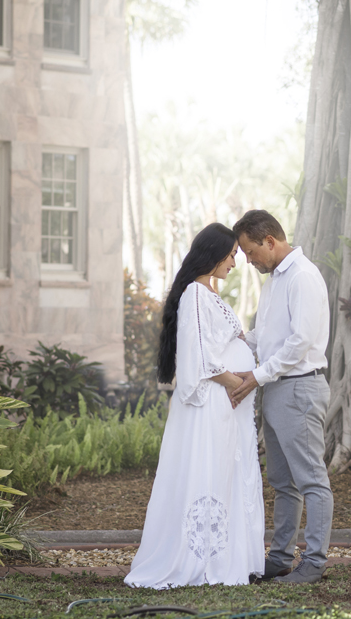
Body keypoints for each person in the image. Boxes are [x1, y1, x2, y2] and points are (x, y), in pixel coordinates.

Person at [124, 223, 264, 589]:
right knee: (209, 472)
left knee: (225, 474)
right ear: (215, 253)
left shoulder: (207, 294)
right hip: (212, 404)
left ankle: (226, 556)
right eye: (233, 254)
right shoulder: (196, 296)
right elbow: (199, 357)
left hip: (226, 404)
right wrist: (240, 382)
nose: (235, 262)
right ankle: (203, 560)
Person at [230, 210, 332, 584]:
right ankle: (280, 559)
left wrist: (256, 376)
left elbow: (300, 342)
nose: (247, 259)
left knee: (311, 481)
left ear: (269, 241)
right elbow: (267, 335)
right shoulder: (275, 279)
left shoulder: (303, 276)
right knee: (283, 482)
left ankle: (315, 563)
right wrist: (234, 341)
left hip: (299, 387)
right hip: (276, 387)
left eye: (249, 251)